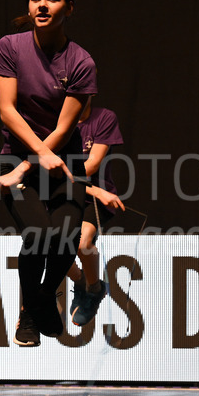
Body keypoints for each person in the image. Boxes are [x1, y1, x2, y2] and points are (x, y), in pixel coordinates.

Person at [0, 0, 123, 347]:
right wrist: (32, 159)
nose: (42, 4)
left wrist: (41, 159)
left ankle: (44, 298)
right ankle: (29, 313)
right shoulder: (9, 47)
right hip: (16, 159)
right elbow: (7, 112)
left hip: (65, 163)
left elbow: (65, 127)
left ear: (69, 8)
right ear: (28, 6)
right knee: (37, 235)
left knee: (65, 238)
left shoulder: (80, 62)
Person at [66, 98, 123, 327]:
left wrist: (94, 191)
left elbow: (91, 165)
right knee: (47, 246)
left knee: (82, 244)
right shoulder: (56, 123)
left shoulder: (104, 118)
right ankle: (80, 281)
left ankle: (94, 288)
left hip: (95, 198)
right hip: (62, 195)